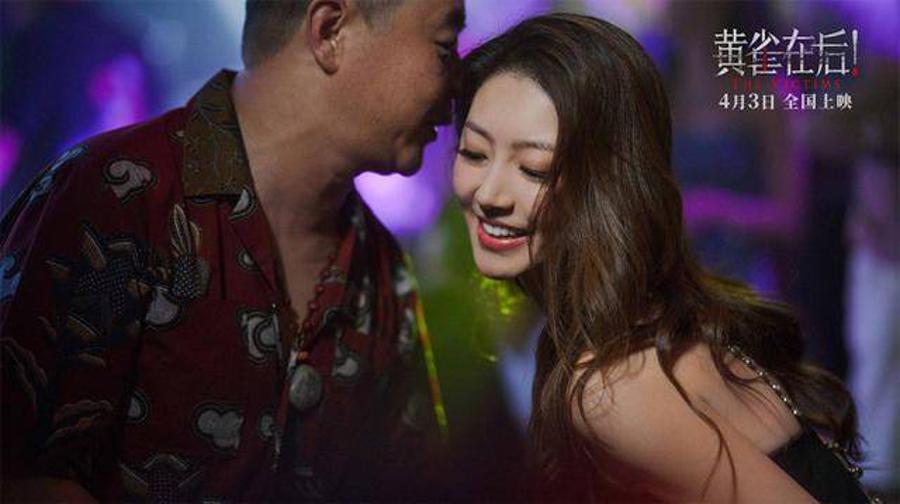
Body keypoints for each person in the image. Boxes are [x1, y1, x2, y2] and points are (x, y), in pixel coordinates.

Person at [1, 0, 465, 500]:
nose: (458, 87)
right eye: (445, 46)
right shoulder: (117, 195)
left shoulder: (382, 269)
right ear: (330, 29)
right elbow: (19, 471)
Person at [452, 13, 873, 502]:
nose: (490, 194)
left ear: (606, 186)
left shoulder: (613, 384)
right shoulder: (645, 327)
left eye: (533, 169)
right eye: (475, 153)